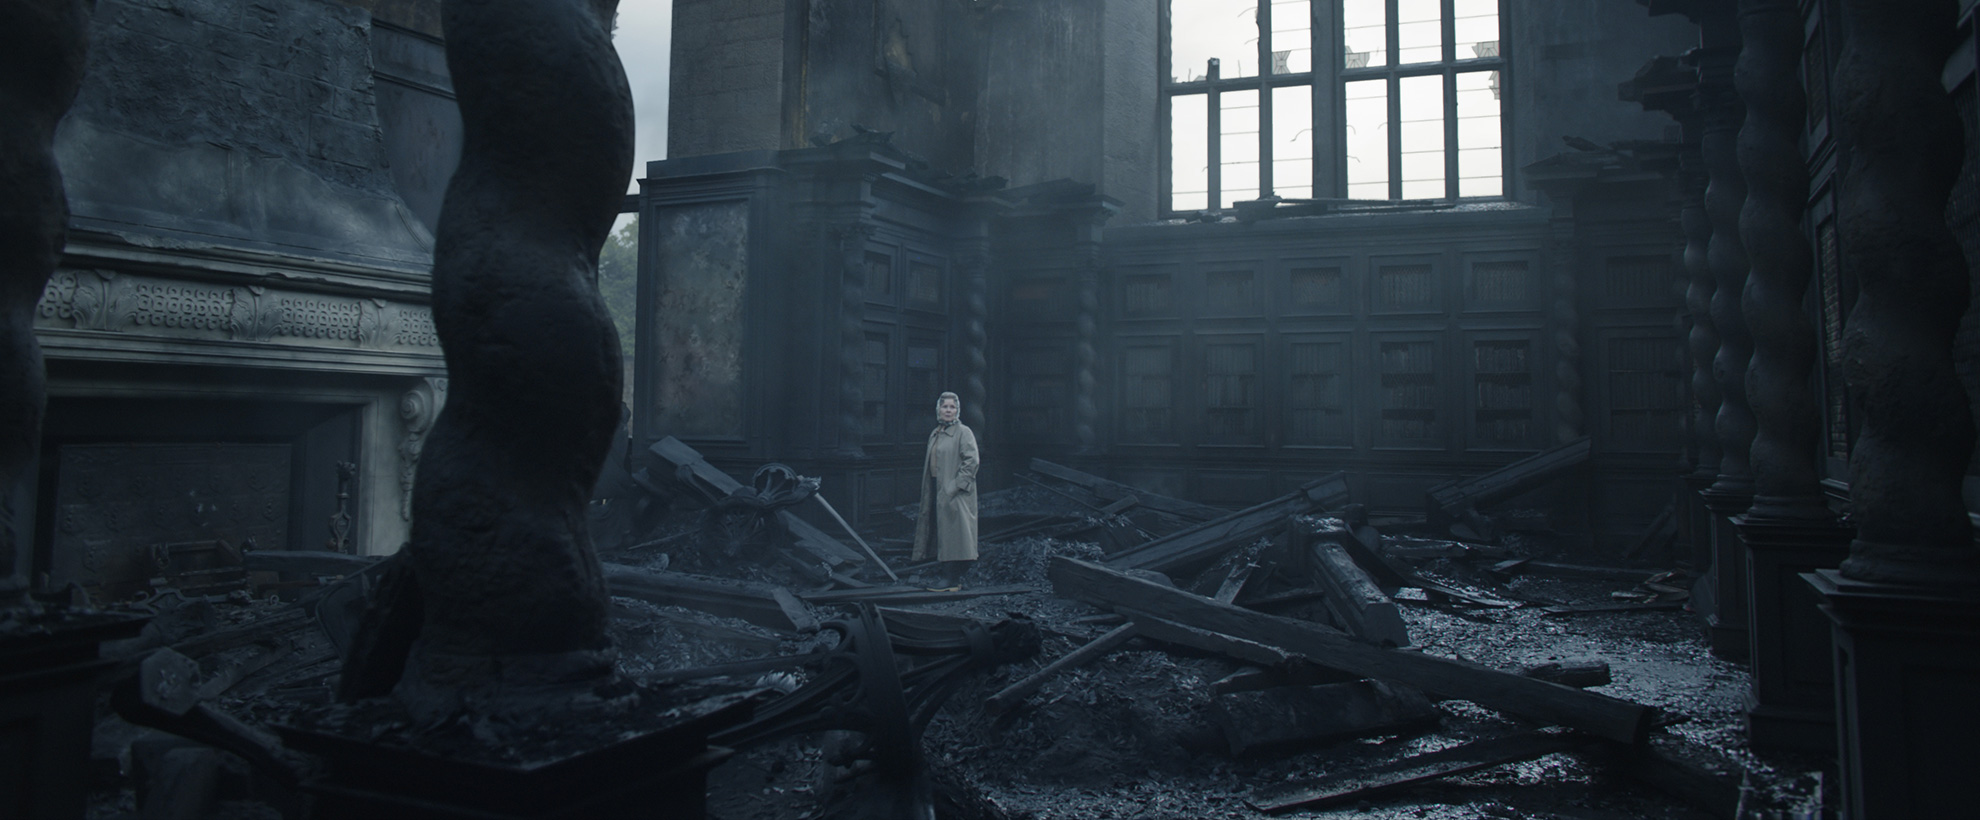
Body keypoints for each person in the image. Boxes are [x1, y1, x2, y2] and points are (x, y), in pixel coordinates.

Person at [912, 391, 978, 591]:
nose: (948, 410)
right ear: (938, 409)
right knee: (940, 529)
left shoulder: (963, 432)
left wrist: (956, 486)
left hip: (955, 492)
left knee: (955, 534)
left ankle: (951, 578)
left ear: (957, 410)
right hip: (935, 487)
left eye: (952, 407)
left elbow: (972, 461)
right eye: (945, 406)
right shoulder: (936, 432)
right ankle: (944, 572)